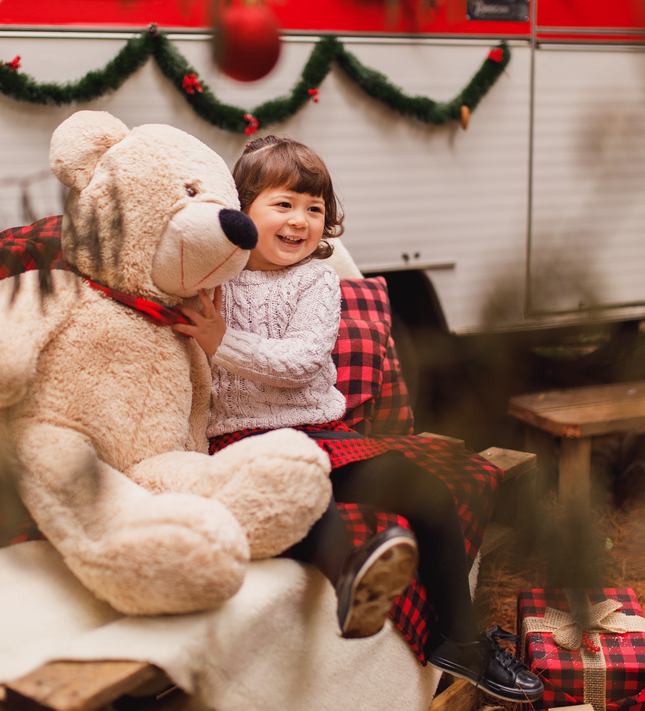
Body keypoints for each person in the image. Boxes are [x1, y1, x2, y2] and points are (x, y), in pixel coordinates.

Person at [172, 135, 544, 703]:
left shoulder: (318, 281)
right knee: (302, 512)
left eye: (314, 208)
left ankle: (460, 641)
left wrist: (222, 341)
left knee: (430, 495)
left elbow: (302, 364)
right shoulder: (213, 276)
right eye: (283, 204)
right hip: (243, 445)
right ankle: (357, 580)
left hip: (320, 435)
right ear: (243, 209)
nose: (300, 221)